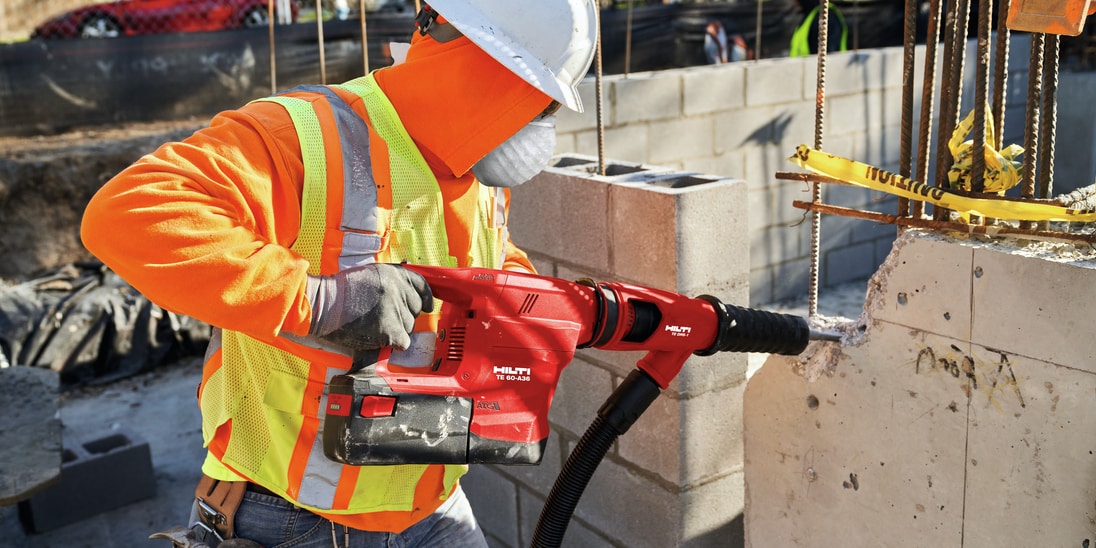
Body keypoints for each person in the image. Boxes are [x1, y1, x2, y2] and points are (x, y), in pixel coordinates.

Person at [80, 0, 598, 546]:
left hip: (432, 498)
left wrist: (532, 305)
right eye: (539, 103)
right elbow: (128, 212)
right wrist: (317, 300)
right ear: (487, 70)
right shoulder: (305, 136)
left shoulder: (478, 172)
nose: (543, 124)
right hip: (293, 515)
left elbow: (490, 256)